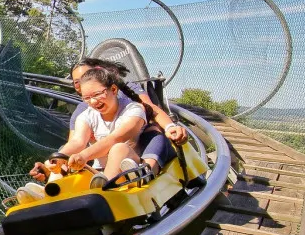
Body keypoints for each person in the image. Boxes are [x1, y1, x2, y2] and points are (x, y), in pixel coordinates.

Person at [30, 58, 187, 183]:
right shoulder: (85, 113)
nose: (93, 102)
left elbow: (117, 137)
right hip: (98, 167)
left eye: (97, 94)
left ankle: (114, 184)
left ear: (112, 88)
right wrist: (55, 159)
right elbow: (76, 142)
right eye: (87, 97)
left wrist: (169, 126)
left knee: (121, 147)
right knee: (63, 157)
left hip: (131, 156)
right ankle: (49, 194)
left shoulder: (133, 107)